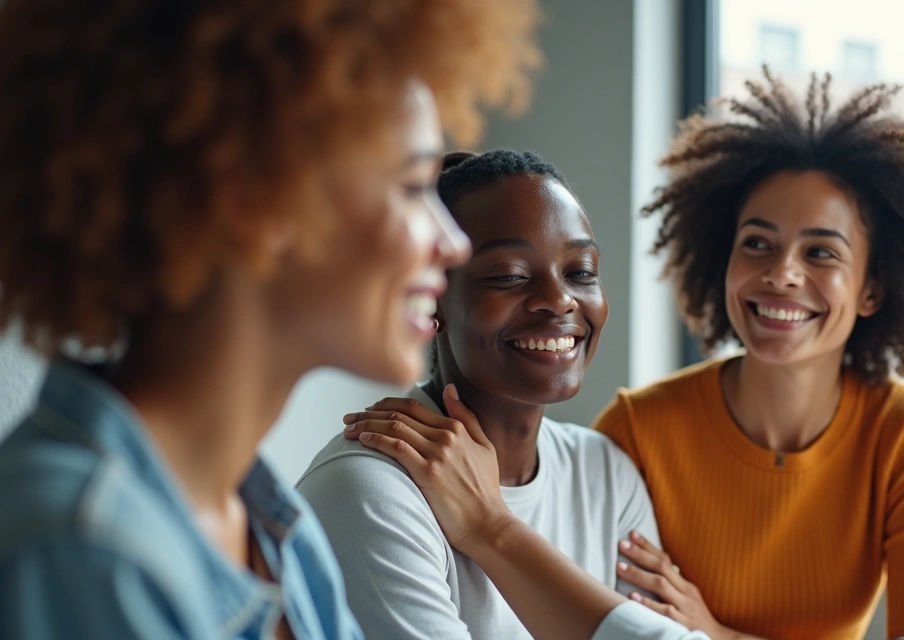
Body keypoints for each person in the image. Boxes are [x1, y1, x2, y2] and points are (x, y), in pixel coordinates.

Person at [350, 71, 904, 640]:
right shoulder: (639, 435)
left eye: (821, 253)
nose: (783, 275)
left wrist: (715, 633)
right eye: (757, 244)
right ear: (721, 256)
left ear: (874, 287)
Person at [0, 0, 541, 637]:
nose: (453, 245)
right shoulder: (84, 553)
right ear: (257, 199)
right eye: (412, 187)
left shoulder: (281, 532)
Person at [298, 149, 662, 640]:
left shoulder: (606, 476)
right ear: (432, 297)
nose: (559, 300)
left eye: (580, 272)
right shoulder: (369, 493)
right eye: (509, 275)